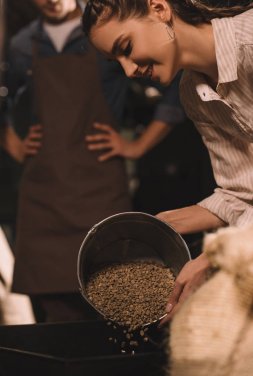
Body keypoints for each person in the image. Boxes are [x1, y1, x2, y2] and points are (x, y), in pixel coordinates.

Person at [0, 0, 181, 322]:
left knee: (112, 297)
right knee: (54, 320)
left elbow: (175, 87)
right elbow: (9, 96)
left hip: (98, 186)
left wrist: (138, 145)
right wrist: (12, 139)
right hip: (44, 192)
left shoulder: (106, 34)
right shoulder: (22, 45)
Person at [82, 0, 253, 323]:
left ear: (159, 8)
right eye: (115, 61)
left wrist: (217, 255)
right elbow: (243, 192)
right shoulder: (194, 94)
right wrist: (161, 227)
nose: (129, 70)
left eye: (126, 47)